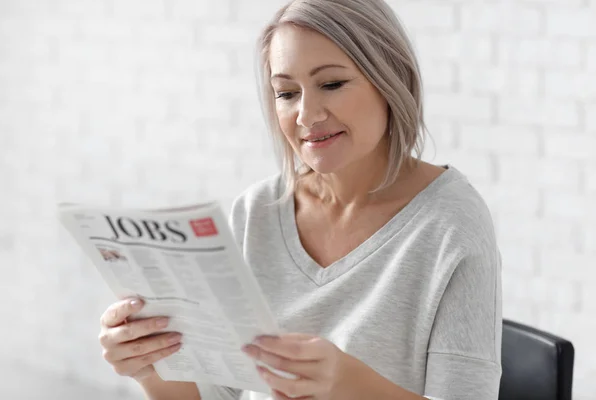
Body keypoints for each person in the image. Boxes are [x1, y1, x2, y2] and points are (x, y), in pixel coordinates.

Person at [98, 0, 502, 399]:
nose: (306, 116)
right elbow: (221, 394)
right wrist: (151, 370)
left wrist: (346, 383)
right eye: (287, 92)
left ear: (390, 79)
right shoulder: (256, 212)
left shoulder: (452, 223)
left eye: (331, 84)